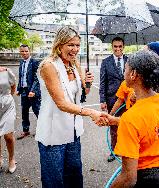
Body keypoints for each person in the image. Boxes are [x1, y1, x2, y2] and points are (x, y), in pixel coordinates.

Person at [97, 50, 159, 187]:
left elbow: (128, 179)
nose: (123, 72)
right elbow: (147, 124)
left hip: (148, 179)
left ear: (133, 74)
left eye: (125, 69)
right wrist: (115, 120)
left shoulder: (130, 118)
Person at [35, 26, 101, 188]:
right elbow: (62, 103)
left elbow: (81, 95)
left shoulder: (74, 64)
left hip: (73, 132)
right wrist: (90, 112)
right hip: (53, 134)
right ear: (59, 44)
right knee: (55, 181)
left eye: (78, 45)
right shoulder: (49, 66)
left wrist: (87, 83)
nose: (75, 49)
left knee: (74, 176)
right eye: (70, 45)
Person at [99, 36, 128, 162]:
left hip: (129, 99)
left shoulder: (130, 60)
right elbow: (102, 82)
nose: (118, 49)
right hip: (112, 99)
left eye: (120, 46)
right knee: (114, 127)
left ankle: (127, 150)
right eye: (115, 46)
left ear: (123, 47)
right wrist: (102, 100)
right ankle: (114, 151)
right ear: (112, 47)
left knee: (129, 125)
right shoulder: (106, 62)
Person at [16, 44, 41, 140]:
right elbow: (21, 77)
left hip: (32, 92)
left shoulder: (34, 62)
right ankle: (26, 130)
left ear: (29, 51)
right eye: (22, 51)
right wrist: (19, 89)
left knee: (37, 111)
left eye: (26, 51)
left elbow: (37, 78)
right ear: (20, 52)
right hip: (24, 91)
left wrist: (33, 90)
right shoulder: (21, 62)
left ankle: (42, 130)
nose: (24, 53)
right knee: (24, 112)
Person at [0, 66, 17, 173]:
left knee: (8, 136)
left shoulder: (7, 72)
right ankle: (0, 157)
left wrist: (6, 97)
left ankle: (11, 159)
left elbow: (13, 86)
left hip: (7, 106)